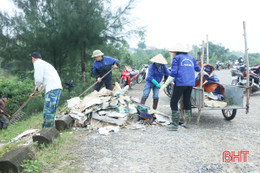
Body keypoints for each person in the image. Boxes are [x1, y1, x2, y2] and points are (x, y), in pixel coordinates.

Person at [161, 43, 208, 131]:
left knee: (173, 102)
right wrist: (204, 72)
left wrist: (165, 84)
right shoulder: (191, 58)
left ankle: (175, 124)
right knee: (187, 102)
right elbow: (198, 69)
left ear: (176, 52)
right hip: (190, 83)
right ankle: (187, 124)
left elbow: (173, 72)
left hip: (181, 83)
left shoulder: (177, 58)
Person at [30, 52, 62, 128]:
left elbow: (38, 80)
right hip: (57, 87)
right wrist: (36, 91)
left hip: (51, 89)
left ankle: (47, 130)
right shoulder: (44, 64)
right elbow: (43, 82)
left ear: (33, 58)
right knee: (51, 110)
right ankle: (49, 128)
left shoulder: (37, 63)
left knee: (48, 110)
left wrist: (37, 88)